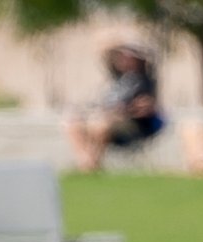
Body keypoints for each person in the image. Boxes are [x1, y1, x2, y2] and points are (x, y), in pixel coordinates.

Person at [66, 43, 163, 173]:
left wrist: (123, 111)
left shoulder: (145, 83)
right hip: (104, 117)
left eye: (129, 58)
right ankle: (85, 162)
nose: (124, 61)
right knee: (72, 124)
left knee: (100, 125)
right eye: (122, 57)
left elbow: (145, 108)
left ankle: (91, 164)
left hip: (131, 126)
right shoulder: (117, 81)